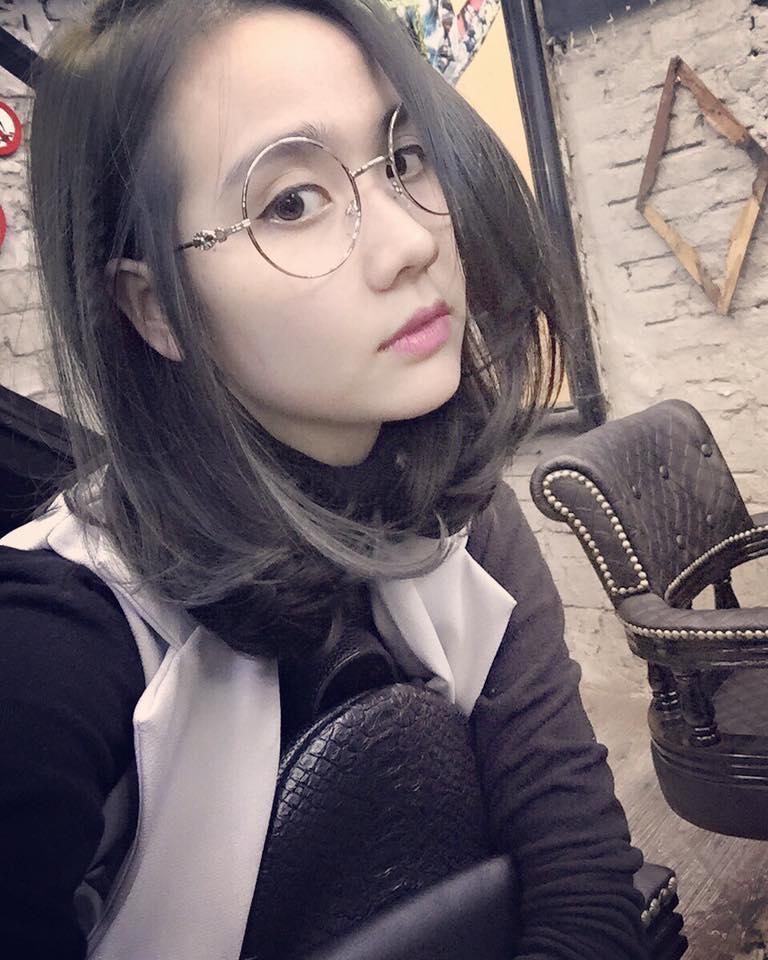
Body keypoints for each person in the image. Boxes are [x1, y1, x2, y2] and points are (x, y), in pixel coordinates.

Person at [0, 0, 649, 957]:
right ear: (155, 310)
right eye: (292, 203)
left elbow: (584, 884)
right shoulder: (57, 649)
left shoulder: (468, 526)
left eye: (405, 157)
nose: (410, 242)